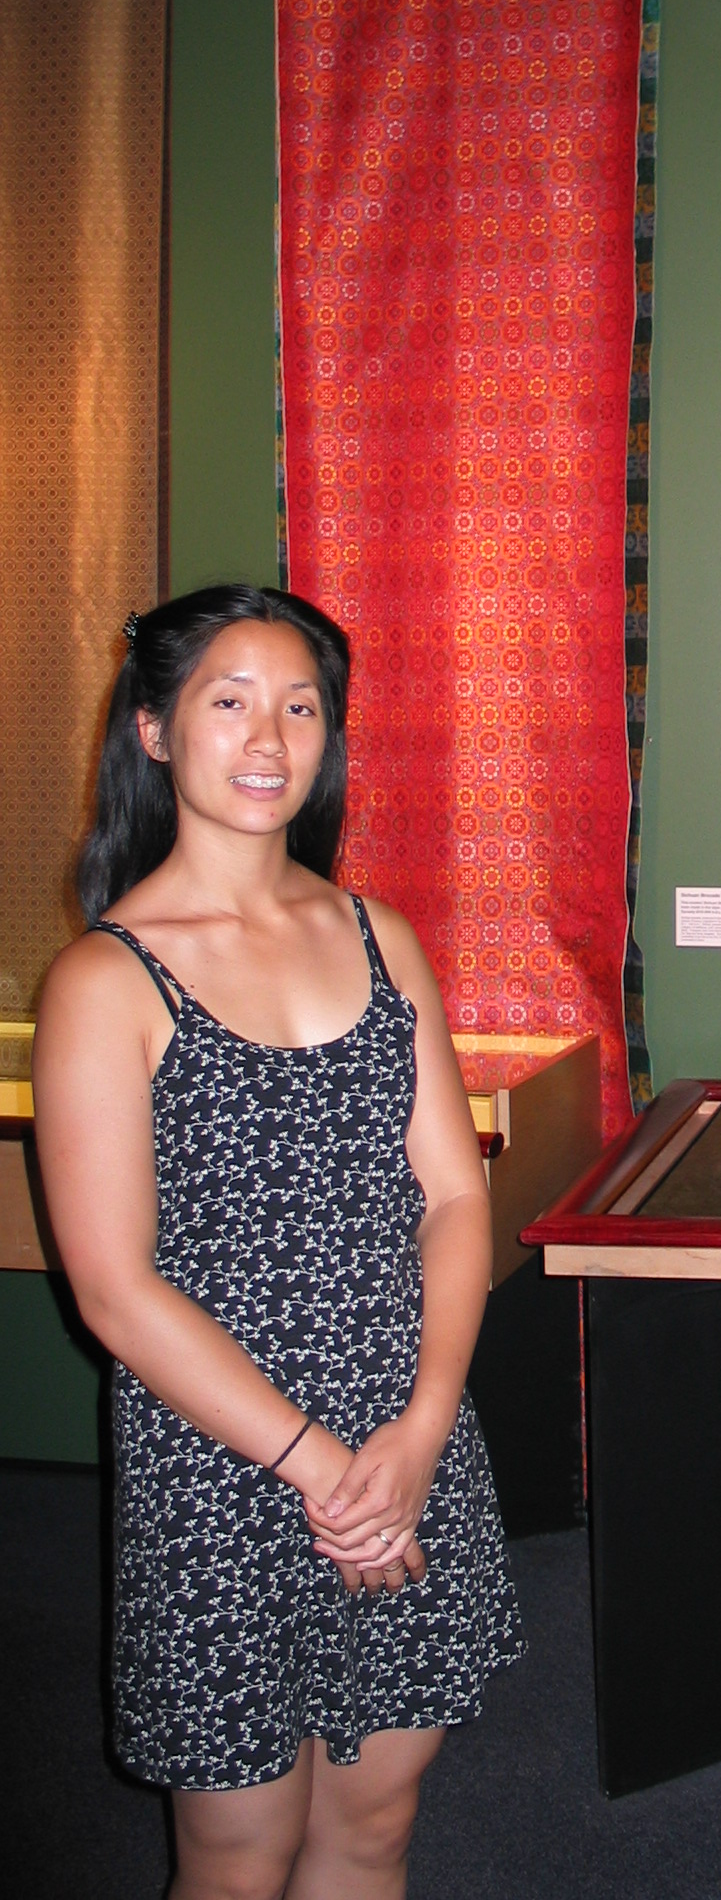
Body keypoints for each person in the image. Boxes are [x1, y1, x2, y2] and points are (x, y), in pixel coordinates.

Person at [32, 586, 523, 1900]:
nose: (269, 739)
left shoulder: (380, 936)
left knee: (376, 1825)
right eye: (230, 702)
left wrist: (419, 1432)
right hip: (224, 1463)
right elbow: (116, 1291)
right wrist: (323, 1472)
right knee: (237, 1855)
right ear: (153, 730)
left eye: (300, 707)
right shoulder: (106, 979)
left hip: (403, 1440)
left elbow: (454, 1197)